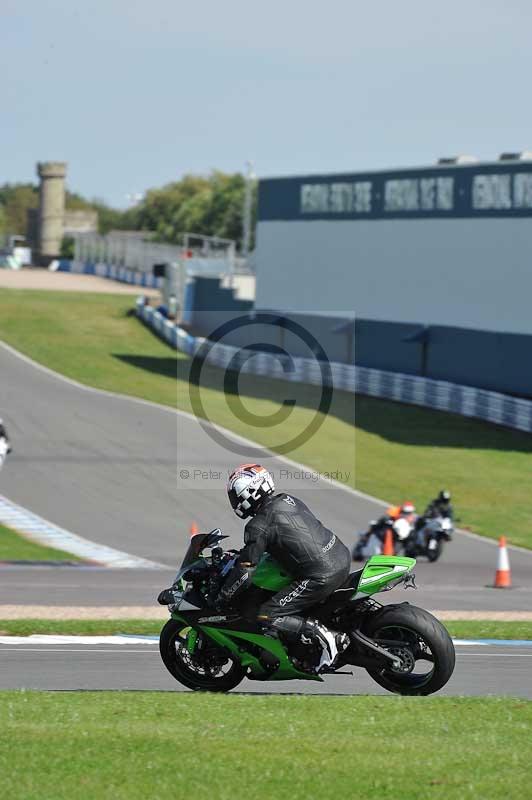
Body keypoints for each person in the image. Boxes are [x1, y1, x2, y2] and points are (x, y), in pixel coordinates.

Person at [219, 464, 352, 673]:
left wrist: (224, 595)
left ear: (249, 493)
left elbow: (246, 569)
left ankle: (322, 635)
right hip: (341, 556)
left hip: (320, 576)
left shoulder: (258, 526)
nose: (235, 501)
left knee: (267, 614)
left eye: (235, 496)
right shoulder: (288, 499)